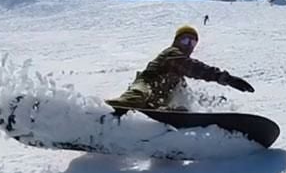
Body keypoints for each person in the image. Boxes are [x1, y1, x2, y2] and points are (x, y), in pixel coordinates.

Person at [107, 25, 254, 111]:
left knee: (180, 105)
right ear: (176, 41)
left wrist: (212, 102)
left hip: (155, 103)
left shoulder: (179, 77)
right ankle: (102, 113)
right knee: (137, 97)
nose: (188, 45)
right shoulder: (172, 54)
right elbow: (193, 67)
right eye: (185, 40)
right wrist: (223, 77)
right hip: (145, 85)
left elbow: (189, 96)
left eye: (192, 43)